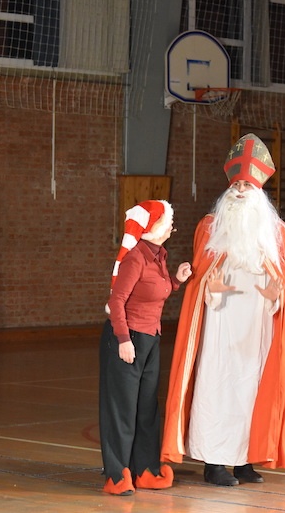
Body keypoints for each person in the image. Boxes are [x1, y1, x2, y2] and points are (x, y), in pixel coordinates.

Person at [161, 133, 285, 487]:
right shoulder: (211, 227)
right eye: (236, 184)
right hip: (221, 323)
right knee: (218, 386)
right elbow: (200, 278)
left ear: (259, 190)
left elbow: (283, 283)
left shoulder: (276, 232)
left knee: (252, 389)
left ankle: (245, 459)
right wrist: (209, 290)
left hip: (257, 327)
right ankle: (215, 462)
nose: (239, 191)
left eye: (247, 185)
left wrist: (276, 297)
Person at [99, 199, 192, 496]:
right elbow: (117, 301)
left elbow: (153, 291)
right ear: (154, 227)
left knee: (146, 409)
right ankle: (117, 475)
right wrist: (124, 340)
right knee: (122, 410)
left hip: (150, 337)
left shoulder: (158, 256)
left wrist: (176, 281)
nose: (172, 225)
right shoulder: (136, 257)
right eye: (168, 221)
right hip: (128, 338)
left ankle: (146, 471)